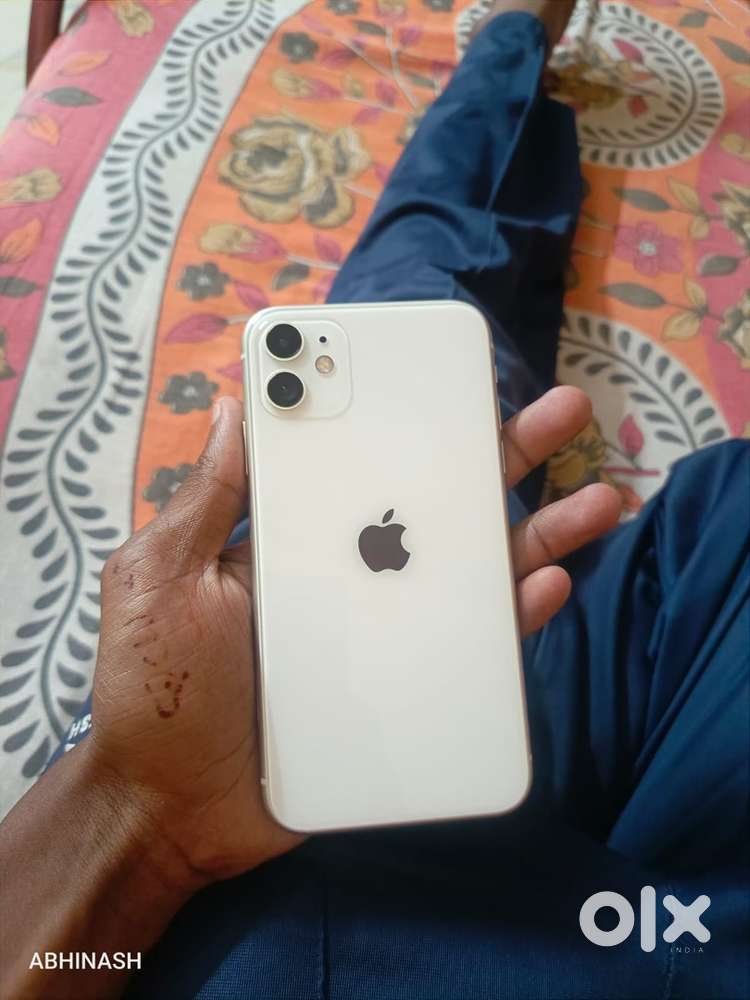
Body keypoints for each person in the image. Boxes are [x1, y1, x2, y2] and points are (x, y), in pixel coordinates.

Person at [1, 2, 747, 998]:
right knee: (427, 323)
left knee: (687, 502)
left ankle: (514, 63)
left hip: (291, 846)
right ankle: (513, 48)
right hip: (371, 916)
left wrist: (139, 813)